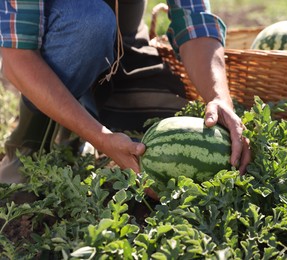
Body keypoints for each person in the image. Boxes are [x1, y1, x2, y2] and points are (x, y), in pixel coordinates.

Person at [0, 0, 251, 194]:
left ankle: (76, 126)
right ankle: (27, 146)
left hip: (122, 46)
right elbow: (18, 57)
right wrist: (101, 138)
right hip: (70, 35)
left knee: (167, 107)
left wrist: (219, 98)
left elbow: (194, 19)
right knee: (89, 24)